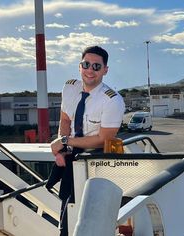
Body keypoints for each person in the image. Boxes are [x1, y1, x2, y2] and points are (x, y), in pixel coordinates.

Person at [47, 45, 125, 236]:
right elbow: (65, 119)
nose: (90, 70)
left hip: (97, 158)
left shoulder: (112, 100)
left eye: (97, 66)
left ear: (105, 70)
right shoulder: (70, 87)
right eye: (86, 64)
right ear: (80, 66)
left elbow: (103, 139)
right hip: (72, 154)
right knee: (67, 210)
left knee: (93, 212)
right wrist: (61, 150)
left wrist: (65, 141)